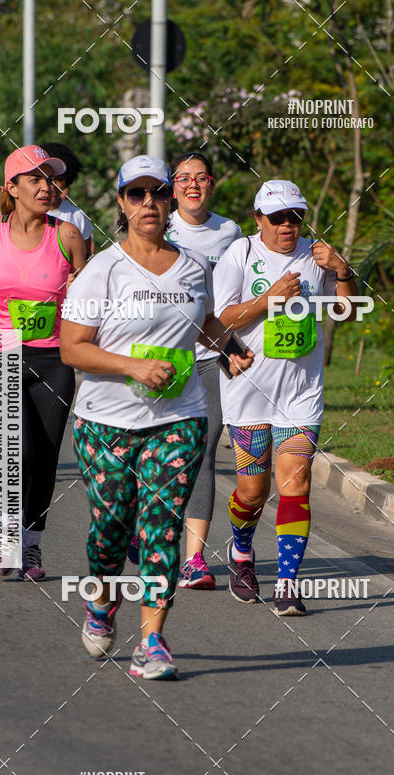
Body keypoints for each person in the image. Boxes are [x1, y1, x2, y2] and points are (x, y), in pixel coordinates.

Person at [60, 154, 253, 679]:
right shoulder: (103, 270)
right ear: (122, 203)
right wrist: (131, 366)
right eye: (137, 193)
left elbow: (204, 321)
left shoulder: (193, 267)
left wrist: (229, 344)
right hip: (106, 420)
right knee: (111, 531)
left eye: (158, 193)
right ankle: (100, 601)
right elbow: (73, 349)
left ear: (170, 201)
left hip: (180, 416)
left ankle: (153, 641)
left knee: (162, 526)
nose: (149, 203)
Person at [214, 179, 359, 616]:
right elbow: (222, 319)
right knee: (252, 493)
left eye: (295, 216)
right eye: (277, 218)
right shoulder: (239, 254)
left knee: (296, 483)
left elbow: (346, 313)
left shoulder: (318, 254)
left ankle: (288, 582)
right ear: (258, 219)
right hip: (249, 390)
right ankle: (241, 551)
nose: (287, 225)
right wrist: (267, 299)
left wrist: (343, 272)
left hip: (301, 393)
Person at [0, 144, 86, 580]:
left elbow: (87, 293)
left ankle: (31, 544)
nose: (46, 188)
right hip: (1, 349)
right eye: (35, 180)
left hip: (54, 357)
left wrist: (79, 282)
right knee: (17, 448)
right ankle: (4, 536)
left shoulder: (66, 235)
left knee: (45, 455)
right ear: (11, 187)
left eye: (50, 180)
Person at [159, 150, 242, 590]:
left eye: (202, 177)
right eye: (184, 178)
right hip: (162, 357)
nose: (193, 185)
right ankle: (149, 528)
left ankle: (194, 559)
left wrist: (236, 349)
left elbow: (235, 296)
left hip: (208, 356)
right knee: (158, 452)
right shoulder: (157, 225)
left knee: (205, 449)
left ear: (212, 184)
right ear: (173, 186)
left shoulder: (230, 232)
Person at [41, 142, 94, 257]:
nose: (53, 186)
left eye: (59, 179)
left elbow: (86, 257)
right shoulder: (25, 214)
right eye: (49, 179)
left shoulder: (78, 216)